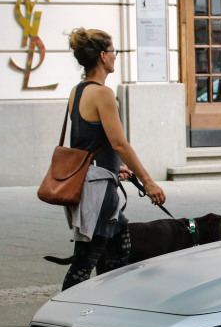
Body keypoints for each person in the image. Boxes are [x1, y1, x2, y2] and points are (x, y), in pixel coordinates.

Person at [59, 29, 166, 290]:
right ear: (103, 56)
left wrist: (113, 166)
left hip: (90, 182)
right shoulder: (102, 94)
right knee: (84, 263)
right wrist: (149, 182)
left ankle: (106, 307)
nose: (116, 57)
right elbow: (119, 143)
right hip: (99, 193)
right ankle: (61, 320)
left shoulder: (78, 91)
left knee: (119, 251)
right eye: (114, 52)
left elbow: (86, 140)